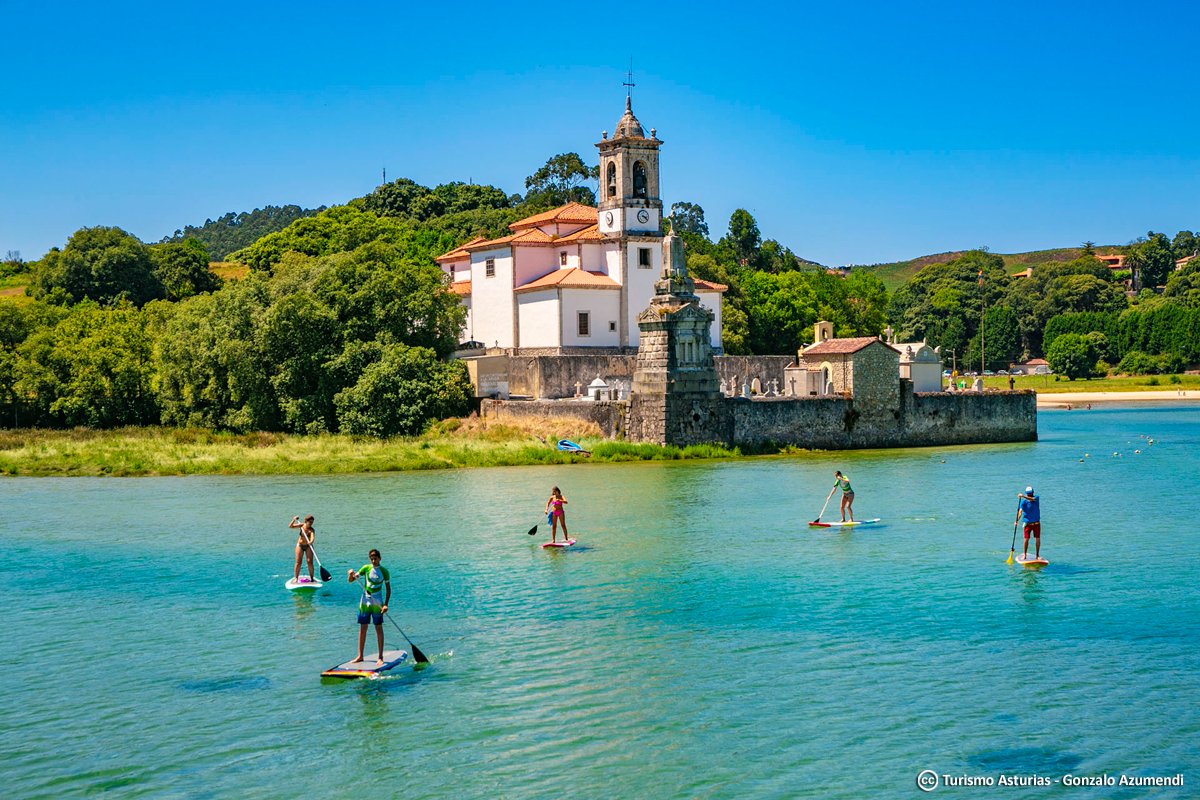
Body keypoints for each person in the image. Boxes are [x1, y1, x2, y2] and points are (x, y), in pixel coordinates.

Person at [348, 549, 391, 666]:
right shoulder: (366, 568)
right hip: (365, 601)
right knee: (363, 628)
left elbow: (388, 590)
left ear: (380, 558)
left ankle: (380, 657)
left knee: (378, 628)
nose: (373, 561)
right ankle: (360, 656)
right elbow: (351, 580)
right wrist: (350, 574)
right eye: (371, 559)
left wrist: (386, 604)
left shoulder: (384, 571)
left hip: (377, 602)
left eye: (375, 559)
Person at [289, 514, 316, 582]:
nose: (311, 523)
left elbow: (312, 537)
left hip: (308, 546)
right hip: (300, 545)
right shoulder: (301, 525)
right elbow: (290, 526)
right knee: (298, 562)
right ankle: (296, 578)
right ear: (306, 521)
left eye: (312, 522)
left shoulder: (312, 530)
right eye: (310, 522)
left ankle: (312, 578)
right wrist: (294, 520)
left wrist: (311, 541)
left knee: (310, 562)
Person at [1018, 487, 1041, 559]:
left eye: (1030, 493)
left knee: (1037, 539)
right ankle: (1024, 554)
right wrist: (1016, 520)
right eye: (1029, 493)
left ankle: (1037, 555)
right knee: (1026, 539)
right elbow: (1020, 511)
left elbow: (1032, 499)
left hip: (1036, 523)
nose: (1030, 494)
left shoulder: (1036, 498)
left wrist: (1023, 496)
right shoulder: (1023, 502)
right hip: (1027, 524)